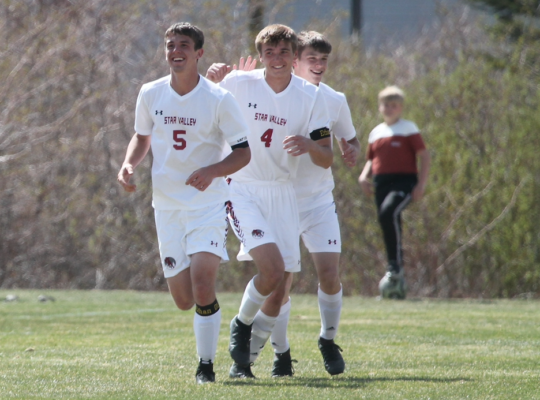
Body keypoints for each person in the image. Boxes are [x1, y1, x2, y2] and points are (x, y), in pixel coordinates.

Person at [117, 22, 251, 384]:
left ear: (198, 53)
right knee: (183, 299)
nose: (176, 51)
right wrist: (129, 164)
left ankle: (205, 366)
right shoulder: (150, 93)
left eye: (183, 46)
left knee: (203, 284)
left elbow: (243, 153)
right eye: (170, 45)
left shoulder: (218, 99)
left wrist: (212, 171)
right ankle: (210, 327)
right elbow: (141, 137)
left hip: (207, 205)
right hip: (167, 207)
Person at [206, 24, 331, 379]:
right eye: (269, 52)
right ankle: (241, 325)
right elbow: (199, 103)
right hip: (242, 188)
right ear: (260, 55)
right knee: (271, 270)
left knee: (279, 290)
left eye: (284, 52)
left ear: (295, 57)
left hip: (283, 192)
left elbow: (326, 156)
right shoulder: (238, 83)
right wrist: (211, 78)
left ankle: (242, 363)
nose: (277, 59)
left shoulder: (311, 96)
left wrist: (309, 145)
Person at [245, 30, 360, 377]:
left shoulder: (332, 99)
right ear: (295, 61)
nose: (319, 65)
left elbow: (349, 139)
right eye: (312, 59)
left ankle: (328, 339)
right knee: (279, 286)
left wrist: (351, 149)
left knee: (330, 275)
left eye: (324, 59)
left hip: (318, 200)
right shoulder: (271, 93)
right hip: (281, 200)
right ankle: (272, 354)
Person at [358, 86, 430, 299]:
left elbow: (424, 156)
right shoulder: (376, 132)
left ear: (401, 107)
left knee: (388, 212)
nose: (390, 109)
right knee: (387, 219)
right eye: (386, 105)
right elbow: (371, 159)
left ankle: (395, 265)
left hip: (404, 182)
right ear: (380, 107)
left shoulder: (408, 128)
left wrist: (421, 185)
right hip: (381, 183)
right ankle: (395, 270)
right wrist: (363, 177)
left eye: (394, 105)